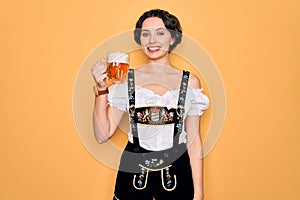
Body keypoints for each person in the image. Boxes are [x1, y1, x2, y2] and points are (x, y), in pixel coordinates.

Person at [91, 9, 209, 200]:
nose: (152, 40)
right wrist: (101, 88)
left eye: (160, 33)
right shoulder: (125, 80)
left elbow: (194, 142)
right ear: (140, 40)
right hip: (132, 175)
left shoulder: (190, 82)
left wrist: (199, 194)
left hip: (177, 175)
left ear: (172, 38)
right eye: (145, 34)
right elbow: (102, 134)